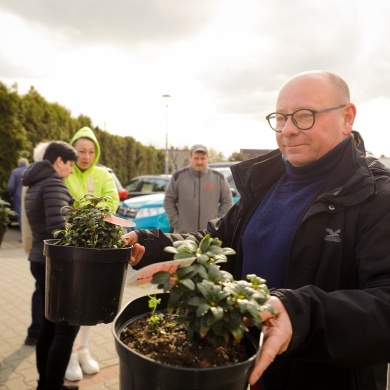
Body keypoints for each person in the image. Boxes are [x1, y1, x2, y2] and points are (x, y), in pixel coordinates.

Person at [123, 71, 390, 389]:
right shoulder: (265, 183)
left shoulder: (377, 196)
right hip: (246, 371)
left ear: (347, 117)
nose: (288, 130)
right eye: (280, 118)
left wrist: (301, 315)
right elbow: (219, 240)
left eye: (305, 116)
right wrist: (152, 243)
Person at [64, 126, 120, 382]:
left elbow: (111, 201)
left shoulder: (102, 174)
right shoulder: (65, 173)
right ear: (72, 151)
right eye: (81, 151)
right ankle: (69, 355)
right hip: (69, 247)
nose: (86, 156)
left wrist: (83, 206)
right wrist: (90, 205)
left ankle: (82, 348)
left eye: (90, 151)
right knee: (71, 299)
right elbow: (64, 204)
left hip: (97, 246)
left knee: (90, 299)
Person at [23, 141, 79, 390]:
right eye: (70, 165)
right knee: (66, 327)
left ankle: (44, 383)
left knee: (48, 323)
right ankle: (52, 386)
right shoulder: (54, 183)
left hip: (39, 259)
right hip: (55, 264)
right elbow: (59, 230)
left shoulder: (36, 183)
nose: (71, 170)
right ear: (59, 161)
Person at [163, 144, 233, 233]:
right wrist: (177, 223)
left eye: (203, 158)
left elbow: (227, 202)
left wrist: (217, 223)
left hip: (210, 235)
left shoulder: (219, 177)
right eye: (196, 158)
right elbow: (168, 200)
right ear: (190, 158)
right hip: (183, 235)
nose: (199, 162)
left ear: (207, 158)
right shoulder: (178, 176)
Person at [22, 142, 50, 346]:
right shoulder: (44, 181)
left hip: (36, 247)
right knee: (42, 289)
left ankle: (34, 331)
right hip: (42, 248)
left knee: (39, 288)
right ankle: (37, 331)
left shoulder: (33, 178)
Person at [7, 157, 29, 229]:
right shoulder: (30, 171)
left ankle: (23, 237)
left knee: (21, 217)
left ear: (18, 164)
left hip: (18, 198)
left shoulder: (15, 172)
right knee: (29, 217)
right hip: (30, 197)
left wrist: (11, 195)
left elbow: (11, 186)